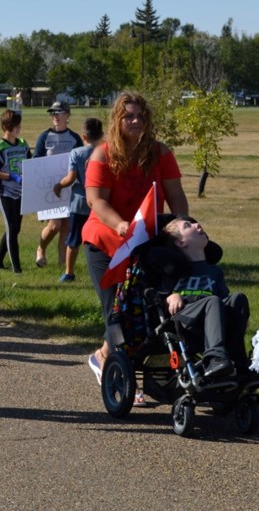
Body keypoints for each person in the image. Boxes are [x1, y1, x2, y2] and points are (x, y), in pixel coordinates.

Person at [82, 92, 188, 385]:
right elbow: (96, 201)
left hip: (144, 241)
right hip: (105, 241)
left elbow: (176, 195)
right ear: (117, 120)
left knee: (146, 308)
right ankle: (120, 371)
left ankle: (108, 357)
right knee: (117, 310)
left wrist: (182, 225)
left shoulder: (161, 153)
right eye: (129, 116)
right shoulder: (102, 154)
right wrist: (120, 225)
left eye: (141, 116)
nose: (136, 121)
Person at [161, 216, 251, 378]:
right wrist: (171, 295)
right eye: (188, 225)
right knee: (212, 300)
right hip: (185, 319)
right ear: (181, 242)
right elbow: (157, 293)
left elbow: (225, 300)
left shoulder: (214, 271)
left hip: (212, 318)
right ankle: (215, 358)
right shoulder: (173, 268)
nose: (197, 225)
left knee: (238, 298)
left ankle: (239, 361)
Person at [53, 117, 104, 282]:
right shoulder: (106, 152)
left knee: (73, 238)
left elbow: (70, 178)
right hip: (101, 203)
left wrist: (58, 186)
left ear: (84, 137)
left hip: (79, 202)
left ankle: (69, 272)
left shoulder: (77, 153)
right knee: (99, 238)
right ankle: (101, 270)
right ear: (102, 135)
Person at [34, 100, 83, 269]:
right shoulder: (44, 137)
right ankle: (41, 249)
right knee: (55, 225)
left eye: (59, 113)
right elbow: (36, 162)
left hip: (70, 188)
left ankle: (63, 264)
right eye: (52, 113)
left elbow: (81, 161)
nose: (55, 116)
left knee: (67, 225)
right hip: (49, 188)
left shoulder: (75, 138)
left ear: (68, 116)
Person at [0, 109, 30, 274]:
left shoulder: (23, 144)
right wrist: (11, 176)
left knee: (16, 228)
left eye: (19, 125)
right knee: (12, 228)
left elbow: (29, 163)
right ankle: (17, 269)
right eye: (15, 125)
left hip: (21, 192)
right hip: (5, 191)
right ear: (6, 127)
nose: (19, 128)